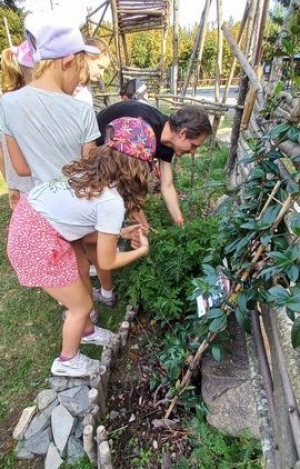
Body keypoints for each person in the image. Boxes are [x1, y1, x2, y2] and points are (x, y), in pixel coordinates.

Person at [7, 117, 152, 378]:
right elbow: (107, 262)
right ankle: (67, 361)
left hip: (31, 223)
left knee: (80, 273)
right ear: (136, 167)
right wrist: (140, 251)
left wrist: (119, 232)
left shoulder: (89, 174)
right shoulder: (112, 201)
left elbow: (80, 220)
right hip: (38, 241)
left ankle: (88, 332)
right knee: (81, 306)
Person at [0, 12, 113, 317]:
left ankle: (83, 317)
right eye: (79, 64)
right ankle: (87, 312)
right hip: (78, 204)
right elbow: (89, 171)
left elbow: (21, 169)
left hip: (41, 207)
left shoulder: (7, 104)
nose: (80, 75)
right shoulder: (81, 110)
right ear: (66, 60)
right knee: (80, 255)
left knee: (67, 264)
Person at [96, 101, 212, 226]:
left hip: (109, 161)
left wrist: (180, 223)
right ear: (182, 133)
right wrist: (143, 225)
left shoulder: (168, 142)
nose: (193, 152)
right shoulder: (142, 128)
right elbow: (127, 182)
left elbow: (167, 185)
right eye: (194, 145)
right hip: (93, 150)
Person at [0, 40, 34, 209]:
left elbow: (2, 150)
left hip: (22, 186)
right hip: (39, 185)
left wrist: (11, 183)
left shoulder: (6, 101)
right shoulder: (28, 103)